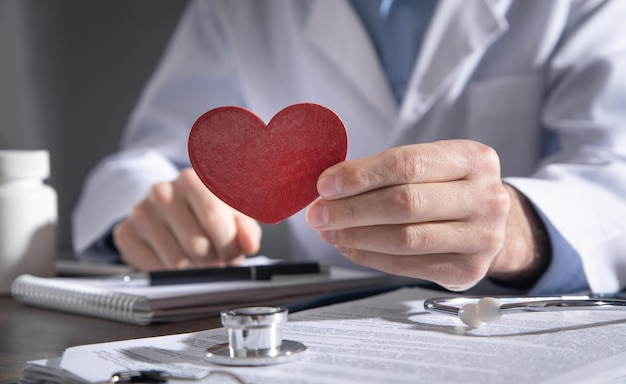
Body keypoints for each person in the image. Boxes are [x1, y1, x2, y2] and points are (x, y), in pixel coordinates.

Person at [72, 0, 626, 295]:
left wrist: (517, 230)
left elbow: (614, 176)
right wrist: (152, 214)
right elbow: (151, 158)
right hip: (309, 332)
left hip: (502, 321)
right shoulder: (242, 7)